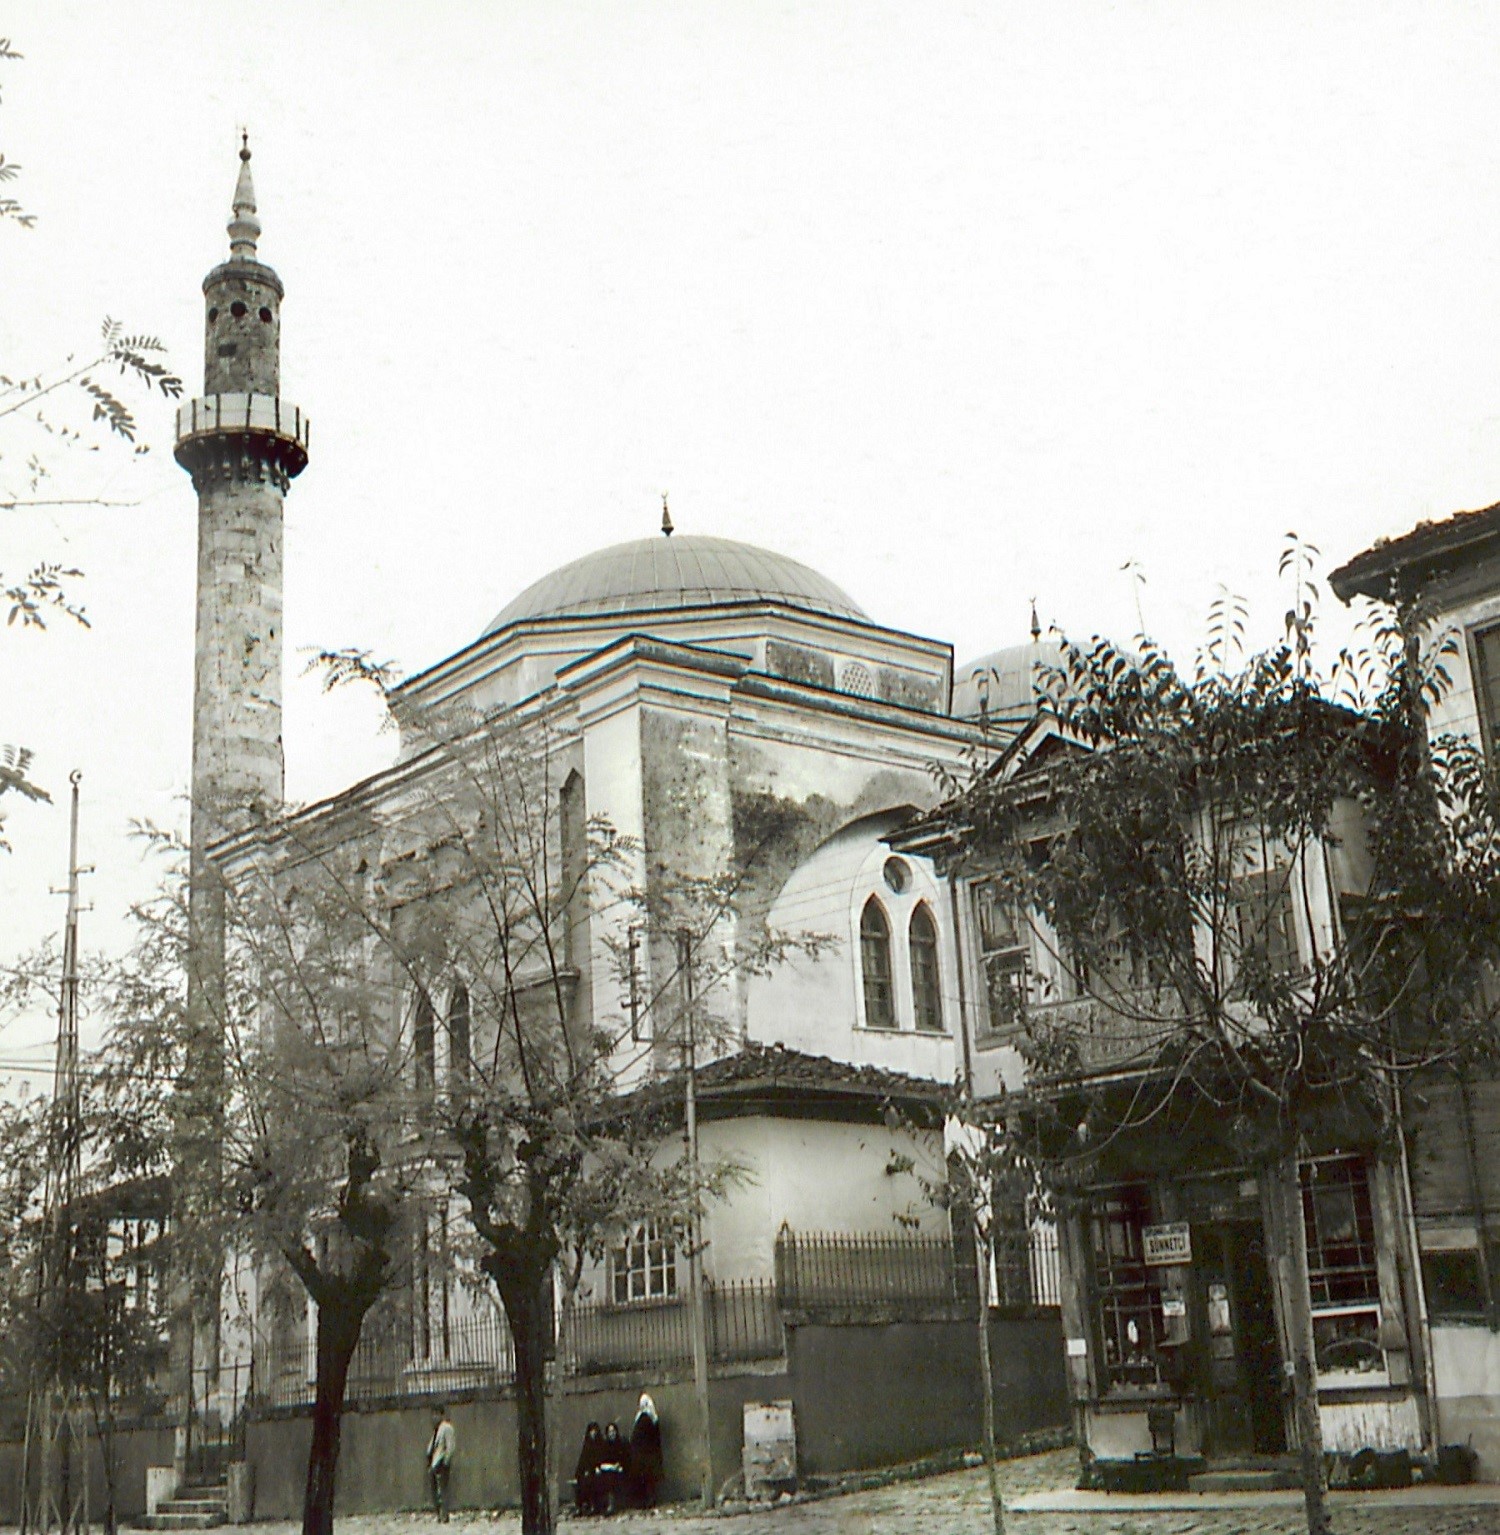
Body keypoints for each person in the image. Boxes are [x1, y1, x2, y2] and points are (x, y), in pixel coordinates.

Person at [627, 1393, 663, 1509]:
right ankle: (647, 1500)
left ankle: (648, 1500)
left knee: (647, 1479)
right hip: (646, 1454)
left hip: (645, 1454)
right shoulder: (650, 1417)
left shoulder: (645, 1418)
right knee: (647, 1479)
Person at [427, 1405, 456, 1522]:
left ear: (442, 1415)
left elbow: (450, 1446)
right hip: (435, 1463)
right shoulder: (437, 1429)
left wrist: (446, 1462)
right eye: (433, 1414)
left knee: (442, 1490)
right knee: (435, 1491)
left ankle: (444, 1515)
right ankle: (439, 1514)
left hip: (441, 1463)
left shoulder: (447, 1428)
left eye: (437, 1414)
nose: (434, 1417)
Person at [573, 1422, 606, 1516]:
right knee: (581, 1481)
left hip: (596, 1471)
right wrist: (579, 1473)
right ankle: (581, 1506)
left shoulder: (600, 1444)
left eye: (595, 1431)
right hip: (587, 1471)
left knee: (591, 1481)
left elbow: (600, 1459)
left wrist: (595, 1468)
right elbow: (583, 1460)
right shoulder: (587, 1445)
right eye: (591, 1431)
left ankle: (592, 1505)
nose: (593, 1433)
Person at [596, 1422, 627, 1514]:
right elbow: (601, 1459)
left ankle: (611, 1504)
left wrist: (619, 1464)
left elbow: (625, 1458)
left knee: (611, 1478)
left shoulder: (621, 1443)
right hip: (606, 1470)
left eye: (613, 1431)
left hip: (618, 1471)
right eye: (610, 1432)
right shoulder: (604, 1445)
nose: (612, 1433)